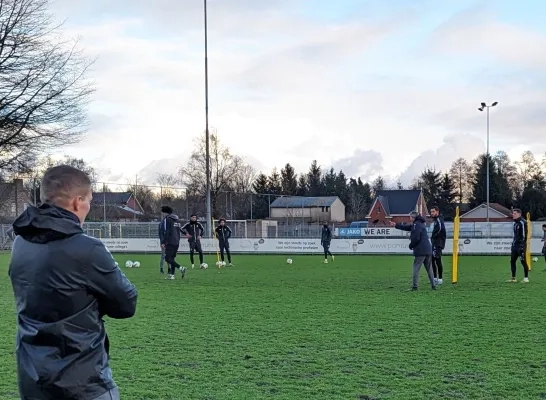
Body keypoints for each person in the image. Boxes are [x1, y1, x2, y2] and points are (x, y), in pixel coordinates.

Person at [8, 165, 138, 400]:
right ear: (78, 202)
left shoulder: (20, 244)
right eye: (89, 201)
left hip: (32, 381)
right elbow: (126, 305)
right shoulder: (87, 249)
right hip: (83, 383)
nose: (89, 207)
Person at [390, 212, 436, 291]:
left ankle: (415, 286)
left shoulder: (416, 225)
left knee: (416, 268)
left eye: (410, 217)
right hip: (428, 250)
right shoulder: (420, 224)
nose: (409, 218)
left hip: (420, 251)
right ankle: (433, 285)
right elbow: (408, 227)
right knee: (429, 268)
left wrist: (411, 245)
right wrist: (396, 225)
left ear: (412, 217)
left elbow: (416, 237)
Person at [161, 205, 187, 280]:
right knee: (172, 258)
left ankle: (181, 268)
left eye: (163, 213)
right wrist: (185, 234)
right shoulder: (177, 219)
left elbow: (167, 231)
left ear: (165, 213)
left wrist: (164, 242)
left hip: (170, 241)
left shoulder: (168, 219)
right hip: (177, 241)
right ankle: (171, 275)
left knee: (167, 258)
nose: (162, 215)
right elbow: (180, 229)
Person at [508, 208, 529, 283]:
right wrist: (513, 244)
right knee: (512, 261)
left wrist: (522, 245)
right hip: (515, 246)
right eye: (513, 213)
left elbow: (523, 235)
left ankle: (526, 278)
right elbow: (515, 236)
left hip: (521, 245)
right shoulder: (515, 223)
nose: (513, 215)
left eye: (515, 213)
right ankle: (513, 278)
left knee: (523, 261)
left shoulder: (522, 222)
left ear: (519, 214)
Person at [430, 206, 446, 285]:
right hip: (434, 242)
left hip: (438, 243)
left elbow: (440, 228)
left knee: (437, 260)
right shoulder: (436, 220)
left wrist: (434, 236)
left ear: (437, 211)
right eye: (431, 212)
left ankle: (440, 278)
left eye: (433, 211)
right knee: (432, 260)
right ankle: (435, 277)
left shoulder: (439, 219)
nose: (431, 213)